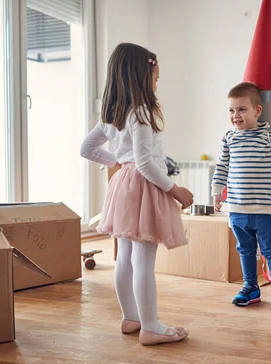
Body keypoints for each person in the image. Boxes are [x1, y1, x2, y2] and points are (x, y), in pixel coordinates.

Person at [80, 43, 194, 346]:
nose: (157, 83)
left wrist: (117, 162)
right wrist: (175, 189)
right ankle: (152, 326)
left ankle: (131, 317)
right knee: (143, 258)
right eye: (155, 78)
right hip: (145, 184)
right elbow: (145, 163)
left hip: (123, 184)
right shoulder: (142, 111)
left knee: (126, 257)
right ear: (141, 76)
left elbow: (86, 149)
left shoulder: (112, 113)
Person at [211, 82, 271, 312]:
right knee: (244, 249)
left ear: (257, 110)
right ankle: (250, 287)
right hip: (237, 209)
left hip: (264, 210)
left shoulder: (270, 138)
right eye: (231, 110)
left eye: (241, 109)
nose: (235, 115)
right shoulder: (229, 139)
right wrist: (217, 193)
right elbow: (221, 167)